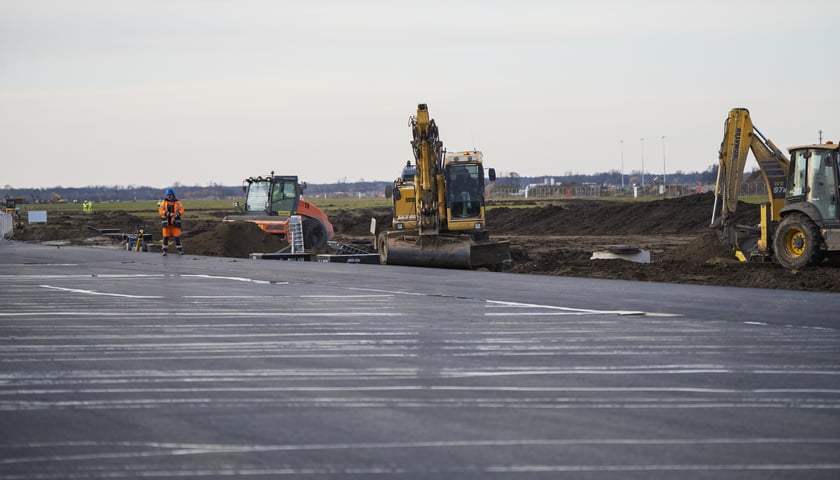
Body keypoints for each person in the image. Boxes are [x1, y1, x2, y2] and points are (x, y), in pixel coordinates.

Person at [158, 188, 184, 256]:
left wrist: (177, 214)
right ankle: (164, 251)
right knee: (165, 237)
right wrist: (168, 214)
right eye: (168, 195)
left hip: (175, 222)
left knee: (177, 236)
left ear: (173, 195)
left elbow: (182, 210)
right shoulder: (163, 202)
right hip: (166, 222)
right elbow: (161, 211)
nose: (169, 196)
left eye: (170, 195)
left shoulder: (178, 202)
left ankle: (179, 250)